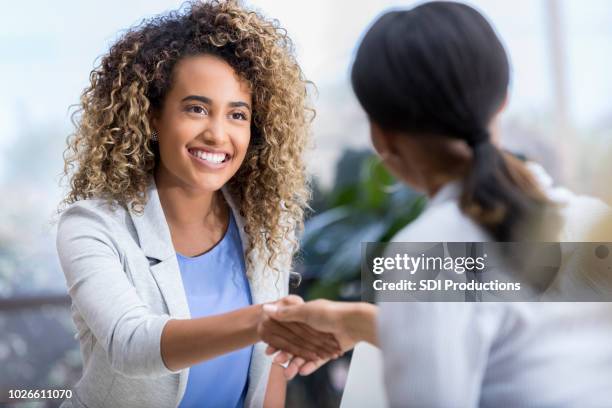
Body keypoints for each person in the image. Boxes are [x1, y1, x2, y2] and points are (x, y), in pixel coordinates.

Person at [264, 2, 612, 406]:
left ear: (381, 138)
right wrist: (358, 322)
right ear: (503, 101)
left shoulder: (427, 253)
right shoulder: (591, 221)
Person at [54, 1, 340, 407]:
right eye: (197, 108)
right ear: (152, 116)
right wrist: (264, 321)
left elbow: (267, 375)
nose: (217, 134)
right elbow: (132, 344)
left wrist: (273, 330)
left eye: (237, 115)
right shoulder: (92, 225)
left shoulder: (263, 222)